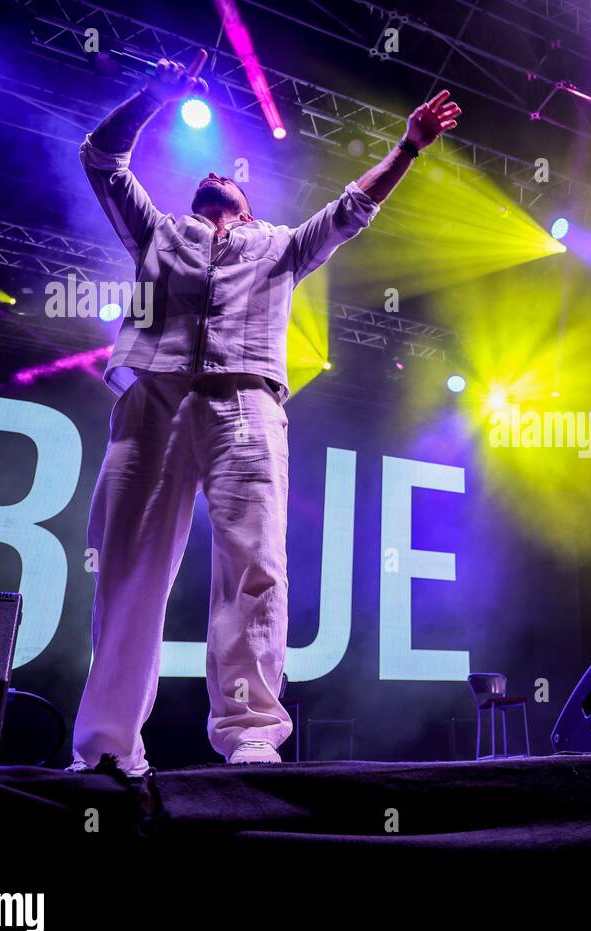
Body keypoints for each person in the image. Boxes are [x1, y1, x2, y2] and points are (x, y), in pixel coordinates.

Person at [69, 50, 461, 772]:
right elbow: (100, 158)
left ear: (247, 205)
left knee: (255, 564)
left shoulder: (279, 246)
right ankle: (107, 747)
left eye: (229, 177)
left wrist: (407, 147)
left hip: (245, 403)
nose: (217, 171)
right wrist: (154, 93)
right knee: (127, 565)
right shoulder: (160, 232)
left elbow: (353, 211)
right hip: (153, 395)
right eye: (206, 174)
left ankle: (251, 733)